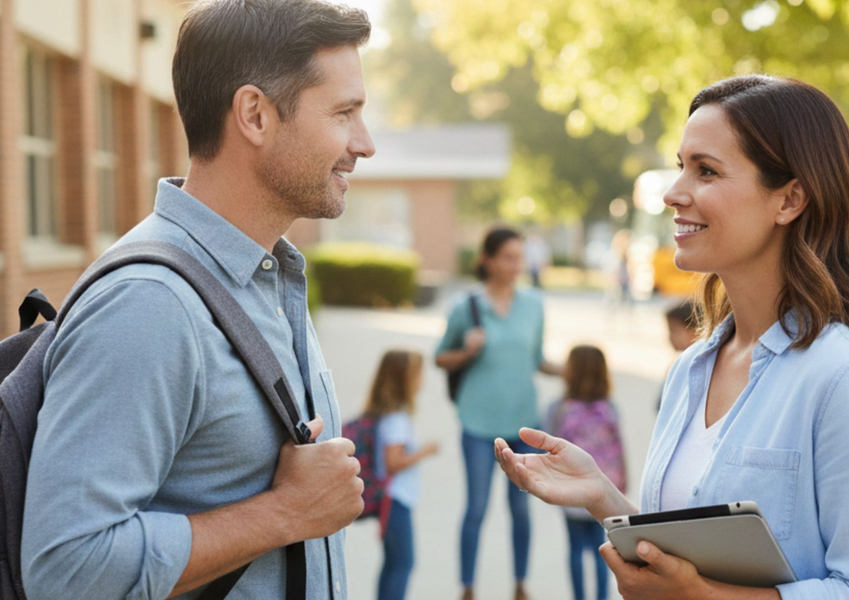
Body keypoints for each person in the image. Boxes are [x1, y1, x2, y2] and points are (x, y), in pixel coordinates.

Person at [494, 75, 849, 599]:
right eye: (681, 167)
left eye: (707, 171)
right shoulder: (689, 369)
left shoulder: (846, 379)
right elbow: (685, 562)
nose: (674, 194)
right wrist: (602, 496)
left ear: (789, 200)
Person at [21, 1, 375, 598]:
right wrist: (284, 512)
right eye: (344, 114)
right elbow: (66, 570)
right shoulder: (150, 305)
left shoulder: (267, 274)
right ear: (255, 115)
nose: (364, 144)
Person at [436, 226, 561, 600]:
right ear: (487, 260)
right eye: (508, 257)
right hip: (478, 425)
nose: (516, 265)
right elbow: (440, 356)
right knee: (476, 508)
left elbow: (537, 359)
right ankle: (468, 588)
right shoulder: (467, 307)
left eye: (519, 257)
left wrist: (576, 371)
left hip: (524, 426)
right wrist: (468, 352)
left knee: (521, 510)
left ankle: (521, 585)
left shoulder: (534, 304)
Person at [545, 345, 626, 600]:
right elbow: (618, 446)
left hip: (571, 490)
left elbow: (547, 444)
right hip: (602, 489)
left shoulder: (558, 408)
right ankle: (603, 597)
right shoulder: (610, 407)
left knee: (575, 548)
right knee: (602, 547)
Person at [363, 351, 440, 600]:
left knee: (394, 563)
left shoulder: (392, 414)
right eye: (417, 375)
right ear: (403, 380)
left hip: (395, 499)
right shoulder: (396, 418)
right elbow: (393, 461)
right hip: (396, 500)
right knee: (403, 563)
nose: (421, 380)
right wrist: (424, 451)